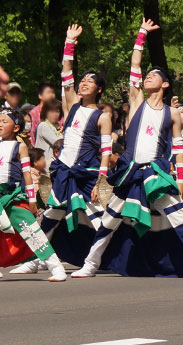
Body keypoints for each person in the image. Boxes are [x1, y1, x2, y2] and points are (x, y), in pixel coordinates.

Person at [70, 18, 183, 278]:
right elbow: (134, 65)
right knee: (110, 220)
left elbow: (178, 147)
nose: (147, 77)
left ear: (166, 84)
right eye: (146, 76)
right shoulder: (136, 101)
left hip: (155, 174)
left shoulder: (173, 114)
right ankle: (90, 264)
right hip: (129, 171)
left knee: (180, 219)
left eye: (154, 76)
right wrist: (141, 35)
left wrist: (180, 180)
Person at [9, 23, 113, 275]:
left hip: (86, 173)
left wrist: (101, 179)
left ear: (99, 89)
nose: (84, 83)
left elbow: (107, 151)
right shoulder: (72, 106)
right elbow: (66, 77)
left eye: (90, 81)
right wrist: (69, 44)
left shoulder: (102, 116)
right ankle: (36, 260)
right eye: (83, 80)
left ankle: (92, 263)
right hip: (64, 170)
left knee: (102, 218)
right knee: (52, 216)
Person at [0, 107, 67, 281]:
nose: (0, 124)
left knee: (31, 229)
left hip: (13, 194)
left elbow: (27, 173)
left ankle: (55, 267)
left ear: (16, 128)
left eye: (4, 121)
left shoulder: (20, 146)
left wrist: (31, 199)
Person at [35, 98, 63, 169]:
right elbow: (58, 143)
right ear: (45, 112)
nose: (55, 114)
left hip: (52, 166)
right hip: (44, 167)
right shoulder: (44, 125)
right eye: (51, 111)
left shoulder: (57, 127)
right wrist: (64, 133)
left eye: (57, 111)